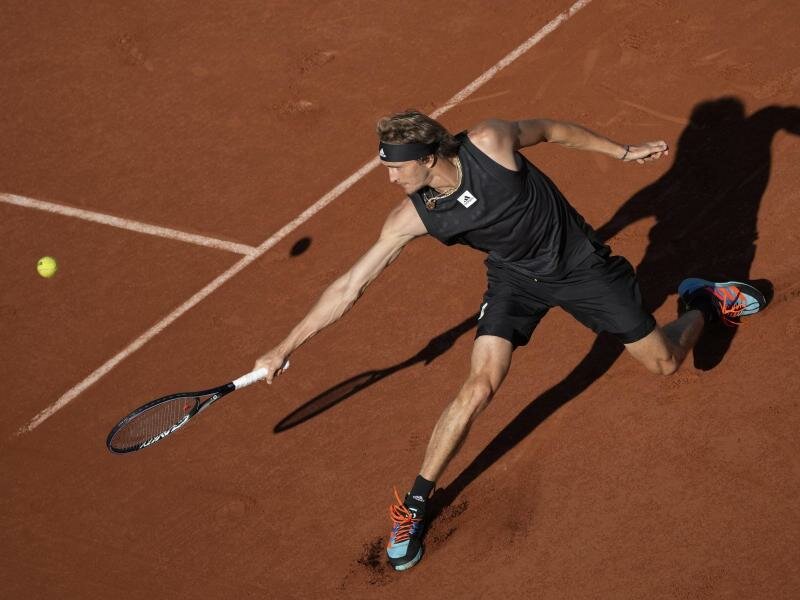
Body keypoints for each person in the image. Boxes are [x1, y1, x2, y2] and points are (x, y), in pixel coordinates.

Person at [254, 110, 766, 571]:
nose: (389, 177)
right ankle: (415, 503)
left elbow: (552, 129)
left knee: (665, 363)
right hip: (514, 281)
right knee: (479, 385)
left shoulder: (489, 143)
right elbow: (350, 285)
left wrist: (622, 151)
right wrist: (286, 346)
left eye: (395, 167)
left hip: (582, 270)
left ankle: (703, 302)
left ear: (428, 158)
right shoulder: (413, 216)